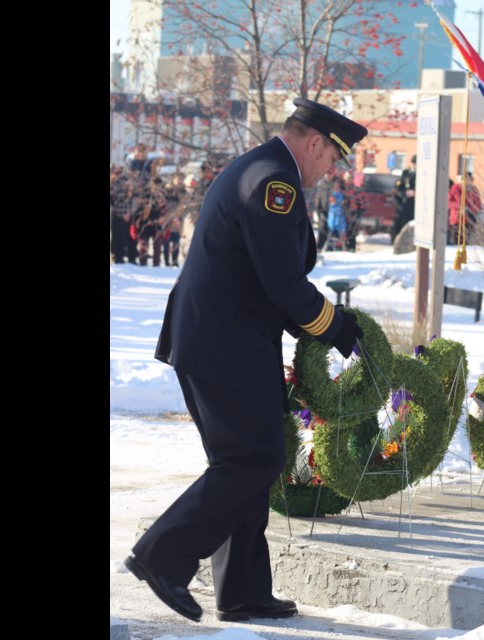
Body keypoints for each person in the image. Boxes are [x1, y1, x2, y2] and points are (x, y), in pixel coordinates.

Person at [126, 98, 368, 623]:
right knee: (254, 460)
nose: (330, 173)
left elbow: (263, 275)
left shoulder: (263, 168)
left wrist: (324, 323)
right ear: (315, 143)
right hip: (225, 343)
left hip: (223, 338)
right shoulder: (273, 183)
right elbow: (281, 281)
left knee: (245, 460)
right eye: (331, 160)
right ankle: (163, 556)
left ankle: (243, 591)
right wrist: (335, 326)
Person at [447, 172, 483, 245]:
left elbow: (478, 204)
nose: (466, 181)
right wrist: (460, 206)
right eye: (464, 179)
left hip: (469, 219)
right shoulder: (455, 188)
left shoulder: (473, 189)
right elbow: (449, 202)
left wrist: (471, 209)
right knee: (457, 241)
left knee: (466, 241)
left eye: (468, 179)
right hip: (457, 219)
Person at [390, 154, 416, 241]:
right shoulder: (406, 175)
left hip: (416, 208)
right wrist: (405, 194)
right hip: (404, 207)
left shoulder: (425, 175)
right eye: (414, 163)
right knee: (400, 227)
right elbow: (396, 191)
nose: (415, 166)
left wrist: (416, 193)